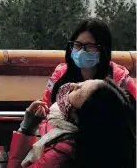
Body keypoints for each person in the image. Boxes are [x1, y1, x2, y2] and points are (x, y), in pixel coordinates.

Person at [8, 78, 136, 168]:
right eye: (81, 83)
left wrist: (26, 129)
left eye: (78, 90)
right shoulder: (110, 148)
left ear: (78, 117)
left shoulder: (60, 155)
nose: (73, 85)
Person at [42, 18, 136, 107]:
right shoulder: (60, 75)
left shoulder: (121, 81)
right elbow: (46, 111)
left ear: (103, 49)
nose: (81, 52)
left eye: (90, 46)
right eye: (77, 45)